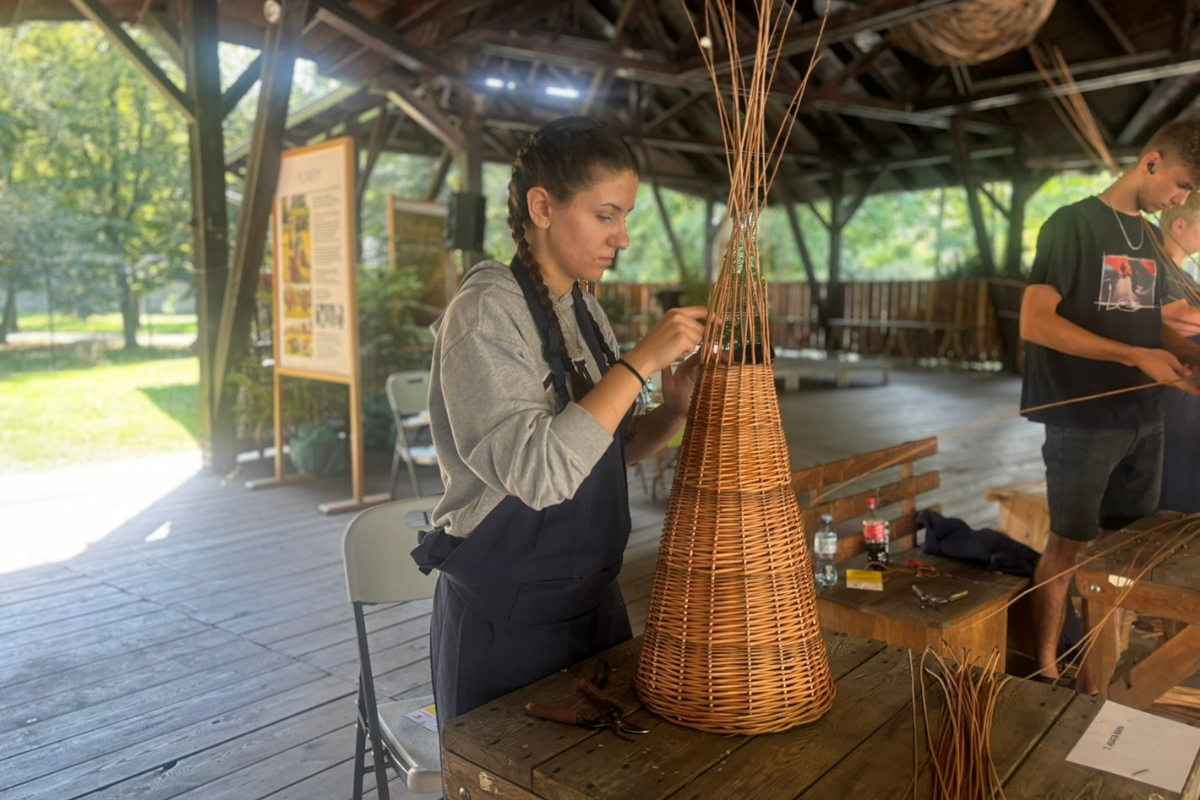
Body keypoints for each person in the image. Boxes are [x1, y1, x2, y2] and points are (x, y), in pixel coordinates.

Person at [412, 117, 707, 723]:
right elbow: (543, 473)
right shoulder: (485, 314)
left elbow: (606, 449)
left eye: (625, 216)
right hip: (508, 620)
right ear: (542, 206)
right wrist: (642, 358)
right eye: (606, 215)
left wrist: (674, 407)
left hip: (594, 603)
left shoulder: (584, 310)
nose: (622, 238)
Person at [1020, 116, 1200, 694]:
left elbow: (1148, 326)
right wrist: (1135, 357)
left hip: (1144, 418)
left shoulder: (1147, 239)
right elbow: (1036, 322)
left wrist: (1183, 357)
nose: (1180, 201)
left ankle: (1098, 670)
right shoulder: (1072, 225)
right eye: (1181, 186)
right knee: (1069, 545)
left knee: (1126, 552)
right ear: (1151, 161)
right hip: (1082, 418)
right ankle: (1045, 667)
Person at [1159, 193, 1200, 512]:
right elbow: (1170, 319)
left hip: (1189, 393)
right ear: (1180, 224)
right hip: (1174, 392)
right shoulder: (1160, 268)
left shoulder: (1183, 275)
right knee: (1176, 475)